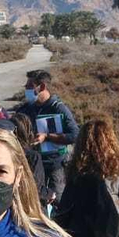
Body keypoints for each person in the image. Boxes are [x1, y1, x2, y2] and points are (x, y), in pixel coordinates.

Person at [17, 70, 80, 203]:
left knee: (59, 201)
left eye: (30, 86)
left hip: (55, 166)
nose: (26, 89)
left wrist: (47, 137)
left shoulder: (58, 108)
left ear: (42, 87)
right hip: (32, 165)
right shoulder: (26, 109)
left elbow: (75, 135)